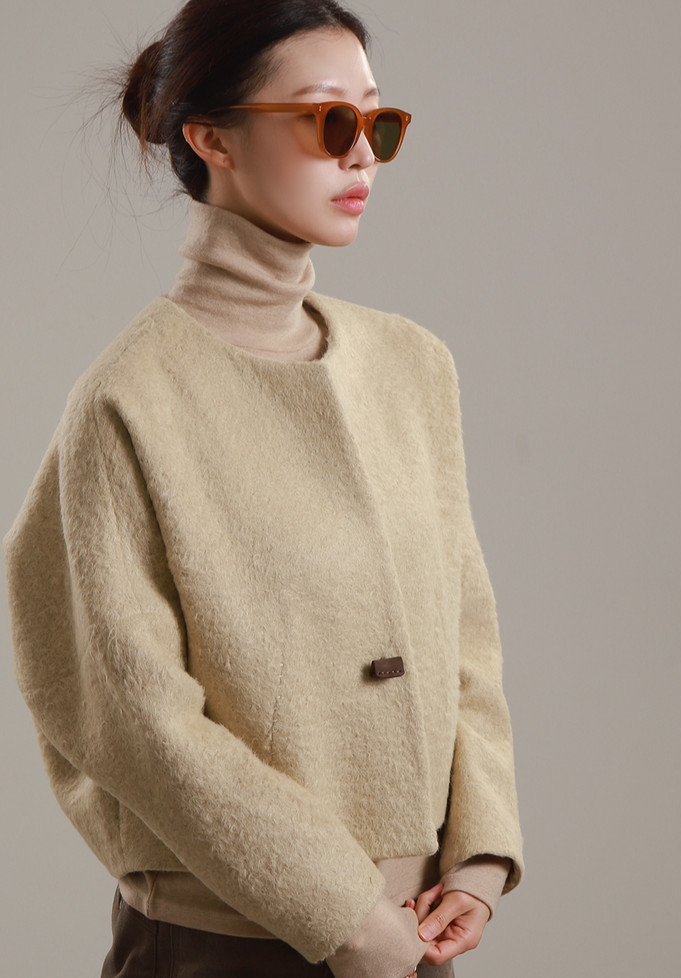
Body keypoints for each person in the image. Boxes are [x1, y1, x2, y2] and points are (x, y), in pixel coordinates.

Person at [4, 2, 523, 976]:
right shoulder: (130, 403)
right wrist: (344, 915)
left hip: (414, 934)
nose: (362, 154)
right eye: (329, 120)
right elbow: (133, 720)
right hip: (223, 947)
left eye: (378, 122)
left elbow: (465, 634)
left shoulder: (411, 366)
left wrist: (479, 855)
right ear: (212, 138)